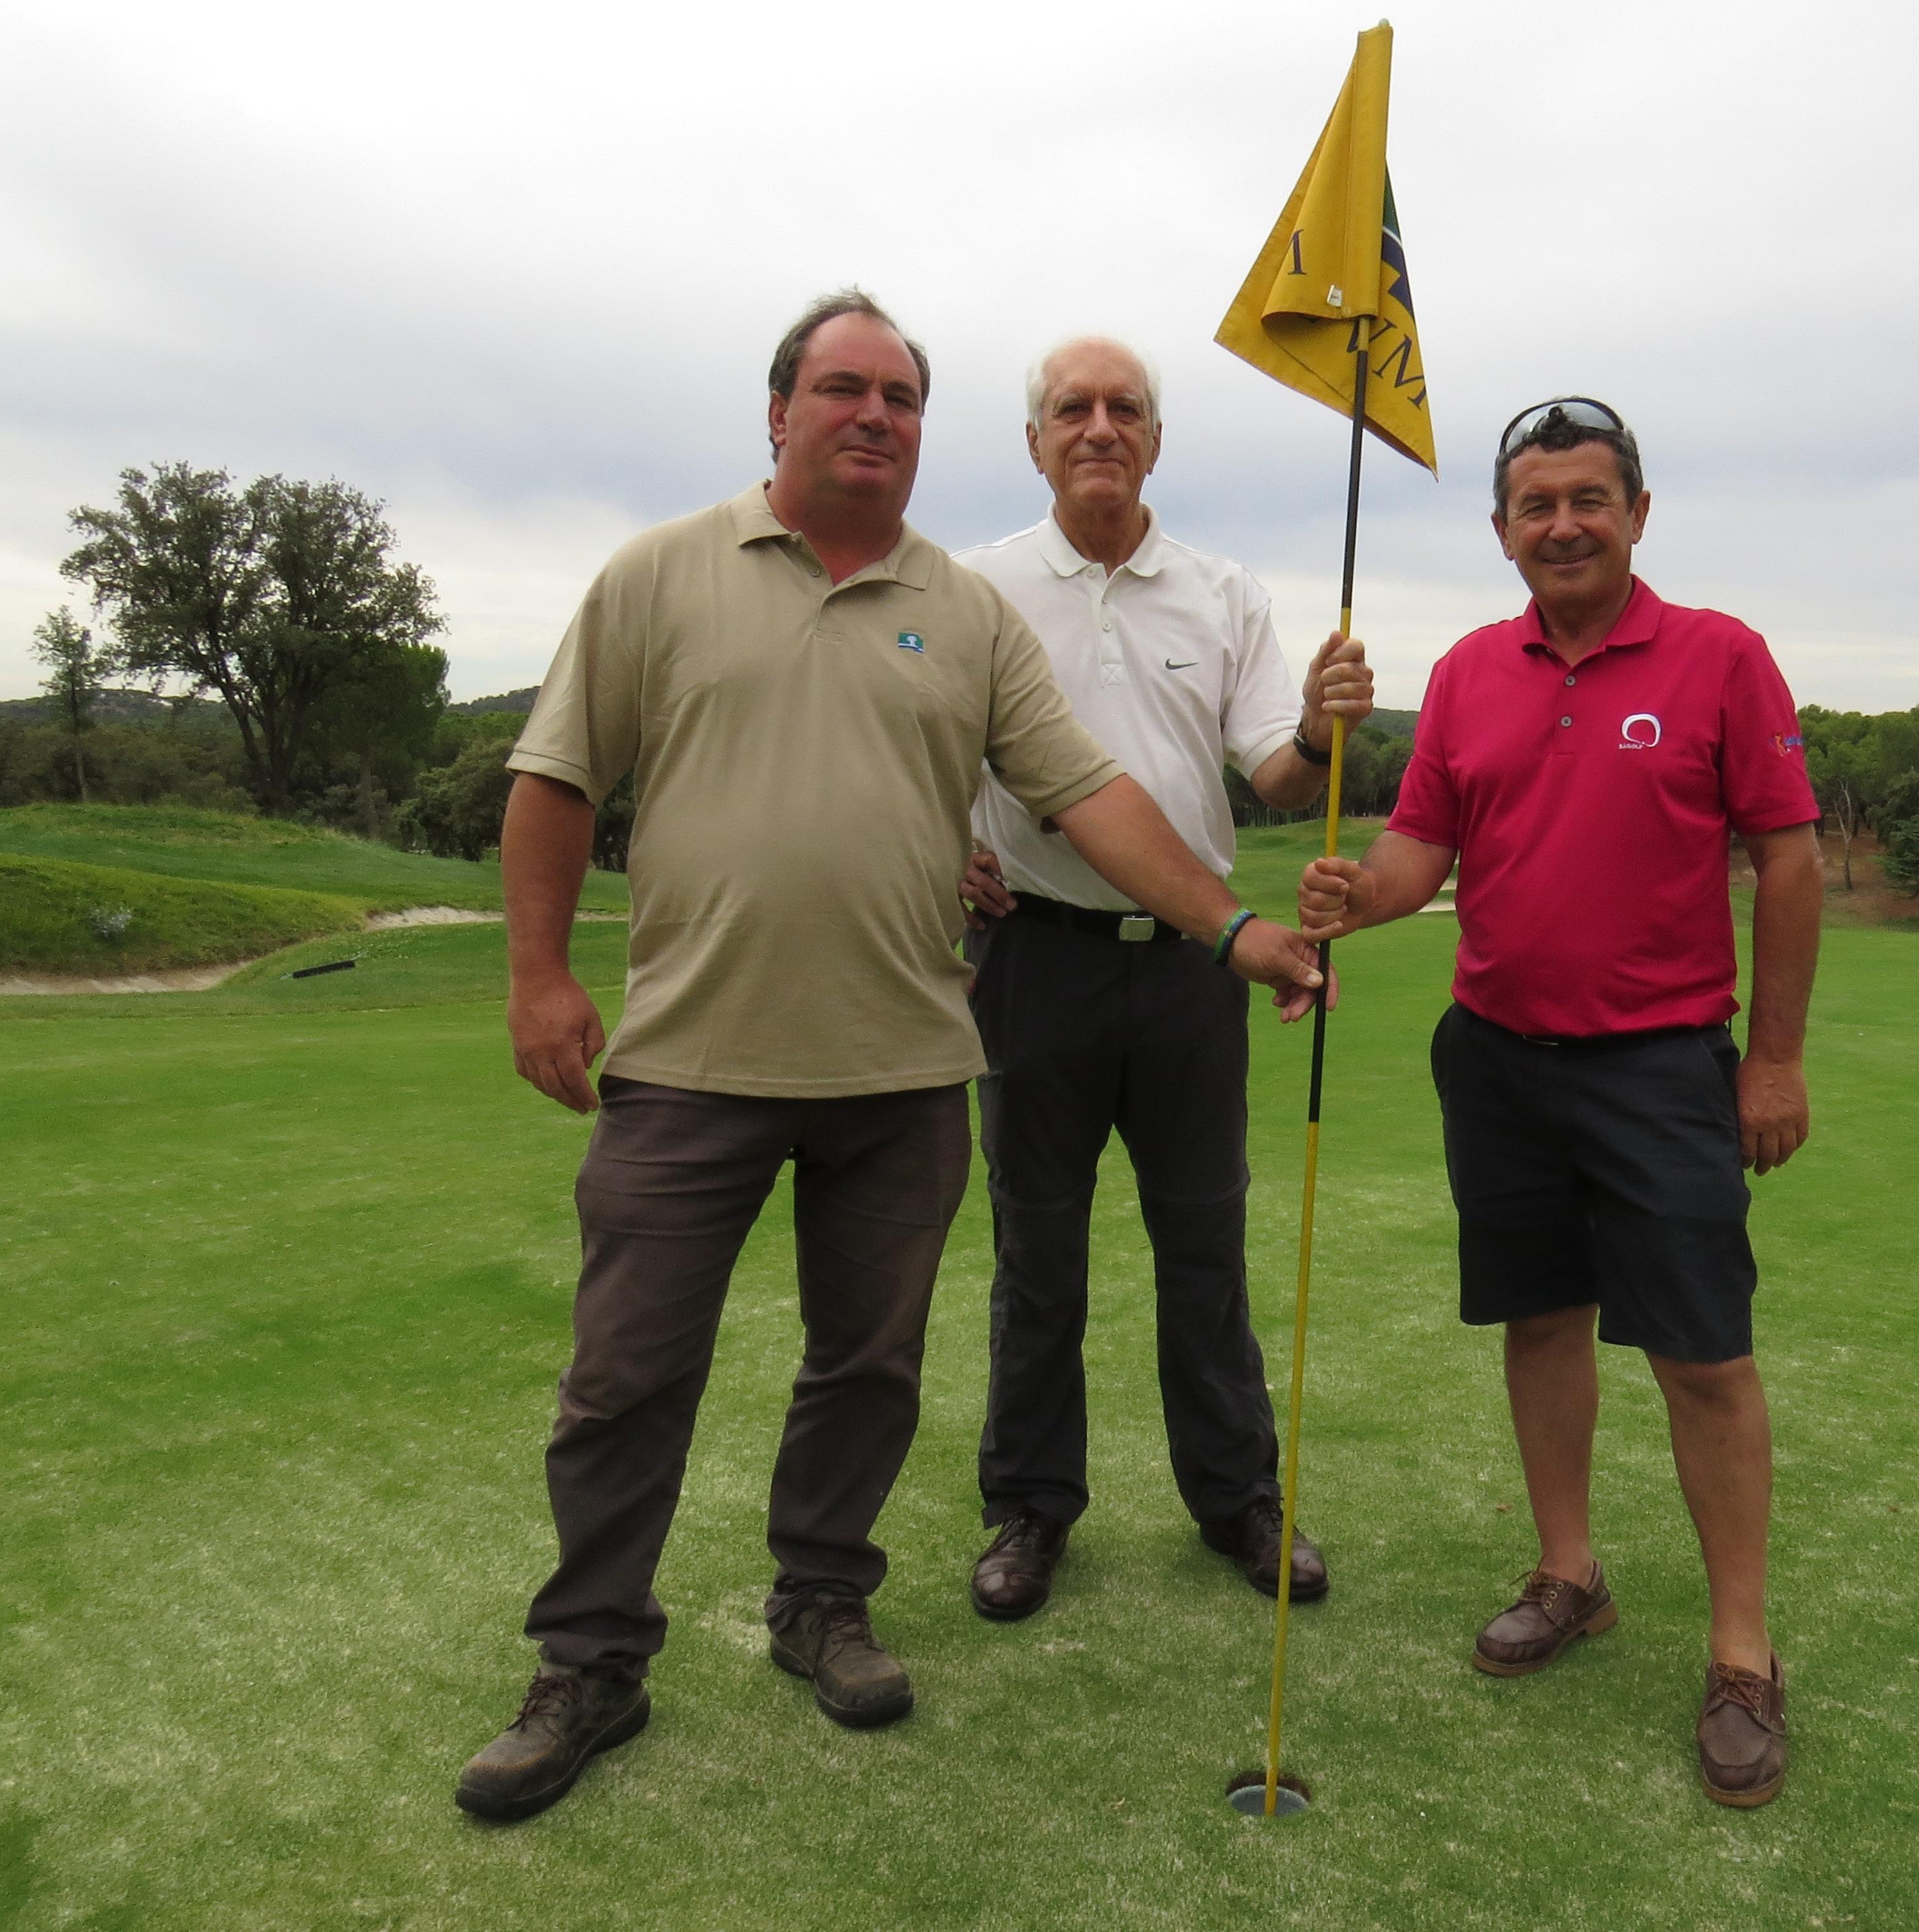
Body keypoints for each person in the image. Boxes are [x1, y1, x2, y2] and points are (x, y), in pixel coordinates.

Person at [454, 290, 1327, 1825]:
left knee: (865, 1372)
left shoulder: (965, 611)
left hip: (905, 1062)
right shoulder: (660, 573)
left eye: (900, 397)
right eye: (843, 390)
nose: (873, 416)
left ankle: (821, 1602)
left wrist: (1230, 929)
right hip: (692, 1058)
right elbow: (555, 779)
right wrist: (537, 979)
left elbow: (1091, 797)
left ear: (925, 428)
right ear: (778, 412)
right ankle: (589, 1660)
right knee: (624, 1377)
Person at [1297, 397, 1823, 1809]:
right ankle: (1569, 1574)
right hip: (1498, 1058)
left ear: (1636, 514)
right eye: (1535, 506)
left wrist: (1770, 1062)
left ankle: (1739, 1653)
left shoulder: (1719, 657)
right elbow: (1420, 850)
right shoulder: (1471, 670)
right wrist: (1354, 902)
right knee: (1538, 1321)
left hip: (1658, 1067)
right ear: (1500, 532)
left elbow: (1785, 861)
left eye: (1588, 498)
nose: (1562, 524)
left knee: (1702, 1356)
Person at [950, 336, 1372, 1622]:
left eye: (1122, 408)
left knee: (1204, 1243)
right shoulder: (976, 588)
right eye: (1069, 410)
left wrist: (1315, 723)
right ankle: (1029, 1507)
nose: (1097, 427)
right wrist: (939, 839)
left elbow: (1276, 778)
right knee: (1038, 1249)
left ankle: (1234, 1496)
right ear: (1034, 442)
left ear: (1152, 439)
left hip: (1194, 964)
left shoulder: (1220, 590)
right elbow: (911, 753)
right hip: (1033, 955)